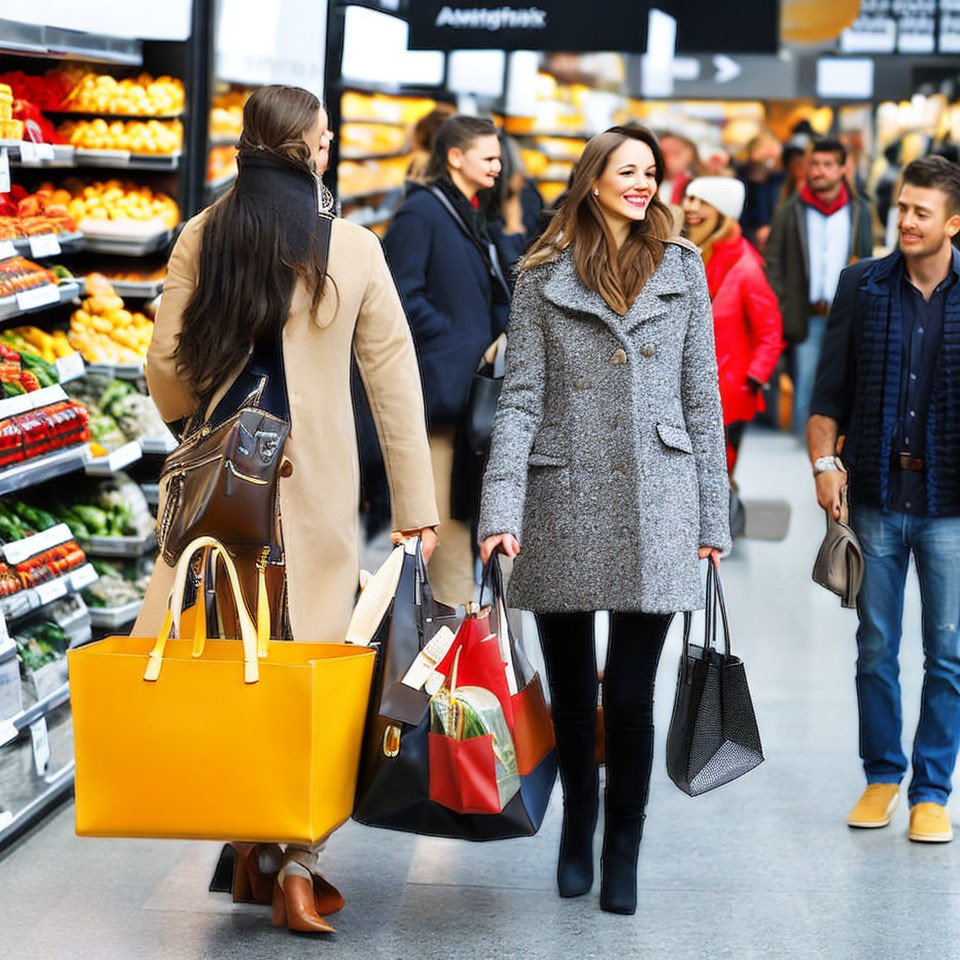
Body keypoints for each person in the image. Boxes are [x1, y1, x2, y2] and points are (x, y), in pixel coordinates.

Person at [136, 85, 439, 933]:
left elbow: (162, 361)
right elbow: (393, 385)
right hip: (313, 492)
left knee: (232, 656)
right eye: (325, 138)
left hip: (223, 488)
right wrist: (415, 504)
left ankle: (244, 842)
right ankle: (298, 863)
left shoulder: (206, 232)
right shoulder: (350, 243)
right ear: (306, 149)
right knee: (310, 664)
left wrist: (196, 424)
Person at [478, 125, 731, 916]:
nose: (642, 184)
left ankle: (624, 839)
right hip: (561, 497)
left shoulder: (683, 269)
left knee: (627, 693)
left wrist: (713, 522)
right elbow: (518, 400)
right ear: (592, 181)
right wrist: (499, 508)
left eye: (650, 172)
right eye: (627, 171)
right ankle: (576, 827)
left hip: (659, 498)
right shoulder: (543, 276)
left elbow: (704, 402)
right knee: (566, 692)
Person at [808, 155, 960, 843]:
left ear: (953, 223)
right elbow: (827, 393)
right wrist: (823, 461)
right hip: (872, 497)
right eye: (901, 207)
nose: (905, 221)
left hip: (950, 505)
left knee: (949, 653)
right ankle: (881, 776)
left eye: (921, 212)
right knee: (875, 645)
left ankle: (932, 791)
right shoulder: (862, 286)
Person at [384, 115, 521, 606]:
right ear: (455, 157)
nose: (497, 164)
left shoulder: (472, 211)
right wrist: (454, 339)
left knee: (470, 513)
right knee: (443, 517)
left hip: (473, 395)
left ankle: (472, 632)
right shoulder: (422, 212)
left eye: (498, 155)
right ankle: (449, 641)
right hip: (444, 395)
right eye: (488, 155)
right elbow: (399, 294)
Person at [765, 138, 874, 436]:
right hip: (807, 314)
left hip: (848, 313)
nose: (819, 171)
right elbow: (773, 260)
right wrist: (783, 304)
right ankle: (804, 447)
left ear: (843, 169)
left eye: (827, 165)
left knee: (845, 381)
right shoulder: (792, 210)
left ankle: (838, 444)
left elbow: (868, 257)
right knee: (807, 383)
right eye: (815, 164)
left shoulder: (858, 210)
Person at [682, 176, 783, 475]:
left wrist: (752, 380)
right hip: (687, 388)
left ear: (723, 211)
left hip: (728, 395)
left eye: (701, 201)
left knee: (716, 478)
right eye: (689, 198)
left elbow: (770, 330)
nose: (690, 207)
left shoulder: (746, 267)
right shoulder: (684, 253)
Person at [737, 131, 785, 252]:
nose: (768, 154)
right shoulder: (740, 177)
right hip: (745, 237)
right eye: (764, 148)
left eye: (771, 148)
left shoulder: (780, 179)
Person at [657, 132, 700, 205]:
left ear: (689, 153)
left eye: (676, 154)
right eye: (664, 154)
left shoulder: (698, 184)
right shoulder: (654, 184)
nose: (669, 160)